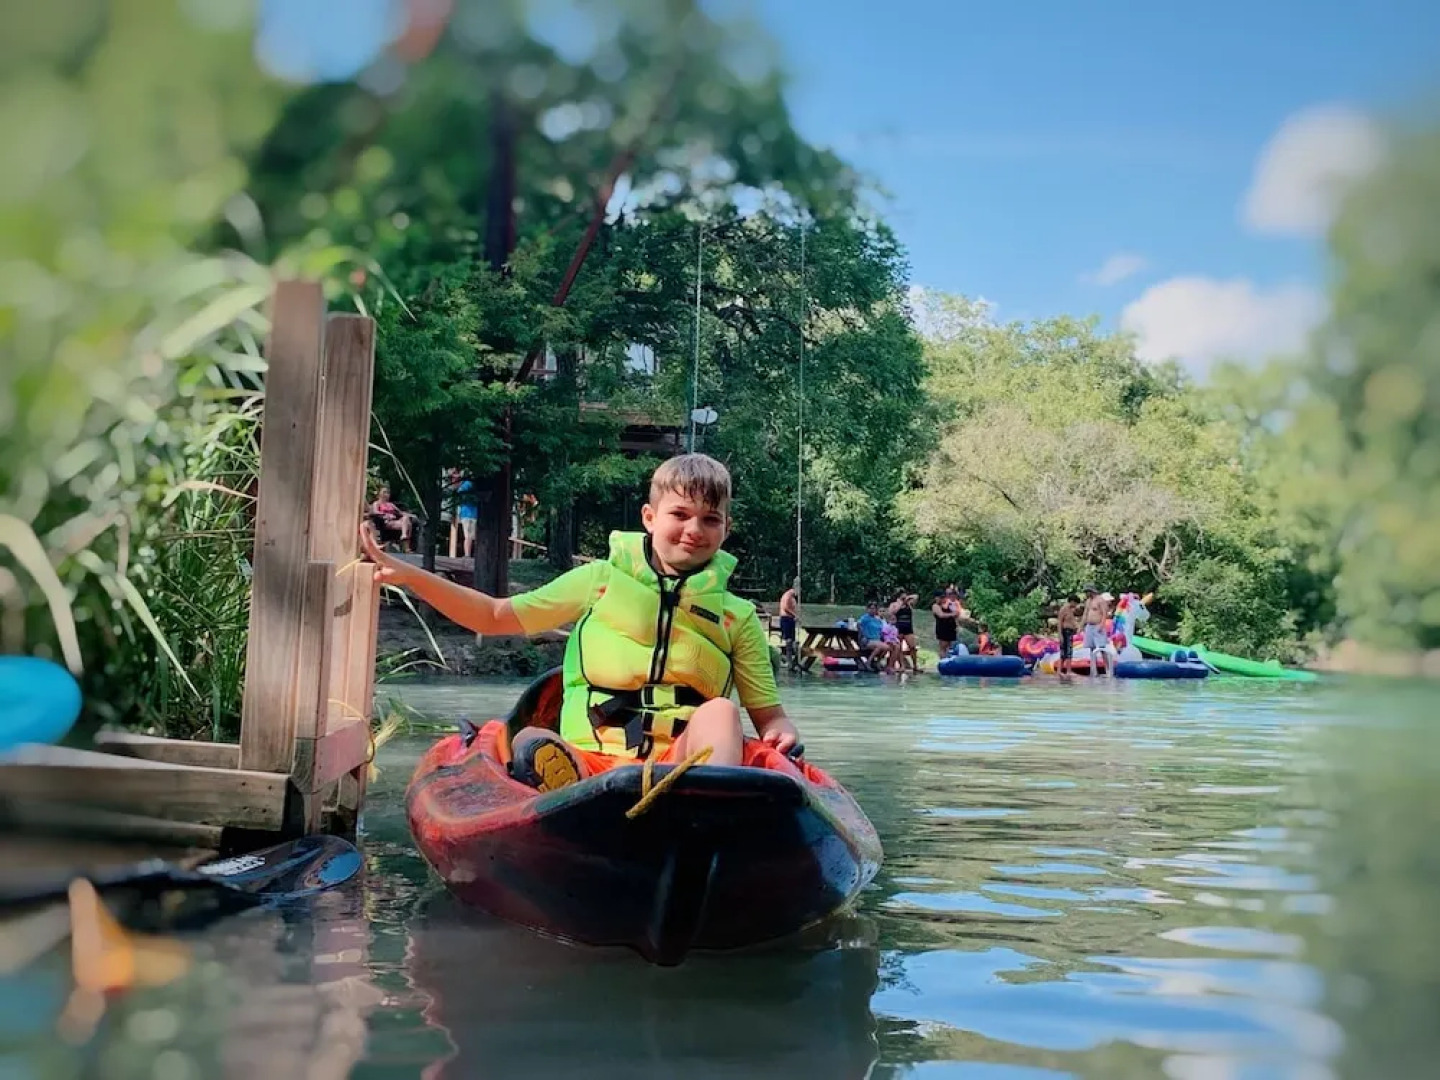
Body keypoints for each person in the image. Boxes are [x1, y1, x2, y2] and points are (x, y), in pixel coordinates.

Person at [360, 453, 798, 790]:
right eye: (680, 514)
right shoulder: (598, 581)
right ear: (649, 518)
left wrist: (781, 734)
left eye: (710, 519)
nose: (694, 529)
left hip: (681, 765)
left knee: (722, 711)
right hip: (589, 759)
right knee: (530, 738)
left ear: (726, 529)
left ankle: (708, 808)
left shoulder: (737, 617)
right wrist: (411, 575)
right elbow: (494, 616)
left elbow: (770, 718)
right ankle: (561, 784)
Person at [370, 484, 417, 552]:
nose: (386, 494)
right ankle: (406, 547)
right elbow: (375, 512)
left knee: (406, 519)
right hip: (386, 522)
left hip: (396, 522)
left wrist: (411, 515)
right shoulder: (377, 503)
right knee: (408, 525)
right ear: (379, 494)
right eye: (384, 492)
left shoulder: (391, 504)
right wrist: (385, 514)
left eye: (388, 493)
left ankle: (404, 536)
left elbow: (400, 513)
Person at [856, 601, 900, 672]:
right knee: (885, 647)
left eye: (874, 609)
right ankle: (870, 662)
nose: (872, 610)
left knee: (895, 646)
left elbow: (882, 630)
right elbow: (858, 624)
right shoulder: (865, 618)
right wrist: (863, 633)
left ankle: (888, 665)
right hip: (868, 640)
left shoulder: (878, 619)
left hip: (878, 640)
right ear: (867, 609)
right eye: (871, 608)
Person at [1081, 585, 1112, 677]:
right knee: (1091, 648)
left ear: (1091, 591)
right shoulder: (1088, 601)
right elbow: (1085, 614)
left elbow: (1104, 613)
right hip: (1089, 626)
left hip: (1098, 626)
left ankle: (1108, 670)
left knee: (1101, 648)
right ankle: (1094, 670)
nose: (1086, 594)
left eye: (1087, 592)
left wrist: (1102, 625)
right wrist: (1081, 626)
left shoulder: (1100, 600)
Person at [888, 591, 922, 672]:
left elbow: (916, 596)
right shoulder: (894, 604)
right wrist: (901, 604)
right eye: (903, 597)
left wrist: (908, 598)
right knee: (899, 648)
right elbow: (892, 612)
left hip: (908, 628)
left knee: (912, 647)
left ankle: (915, 665)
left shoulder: (909, 604)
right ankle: (902, 665)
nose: (905, 598)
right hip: (898, 628)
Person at [932, 586, 961, 658]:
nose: (942, 599)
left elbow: (956, 613)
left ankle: (949, 660)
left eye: (943, 597)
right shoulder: (935, 606)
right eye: (940, 597)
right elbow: (941, 615)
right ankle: (943, 661)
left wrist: (957, 624)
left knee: (950, 648)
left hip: (951, 628)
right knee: (943, 647)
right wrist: (952, 614)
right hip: (942, 628)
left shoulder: (949, 604)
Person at [1055, 594, 1080, 673]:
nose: (1076, 605)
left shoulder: (1071, 610)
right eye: (1075, 603)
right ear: (1072, 601)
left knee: (1069, 652)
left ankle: (1066, 670)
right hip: (1065, 632)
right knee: (1065, 652)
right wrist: (1060, 635)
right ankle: (1063, 670)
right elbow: (1059, 622)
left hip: (1070, 632)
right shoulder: (1064, 609)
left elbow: (1072, 621)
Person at [778, 578, 800, 670]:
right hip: (786, 619)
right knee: (789, 640)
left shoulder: (792, 597)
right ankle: (788, 661)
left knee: (792, 640)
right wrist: (795, 615)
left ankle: (793, 661)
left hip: (790, 619)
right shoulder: (788, 595)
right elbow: (786, 607)